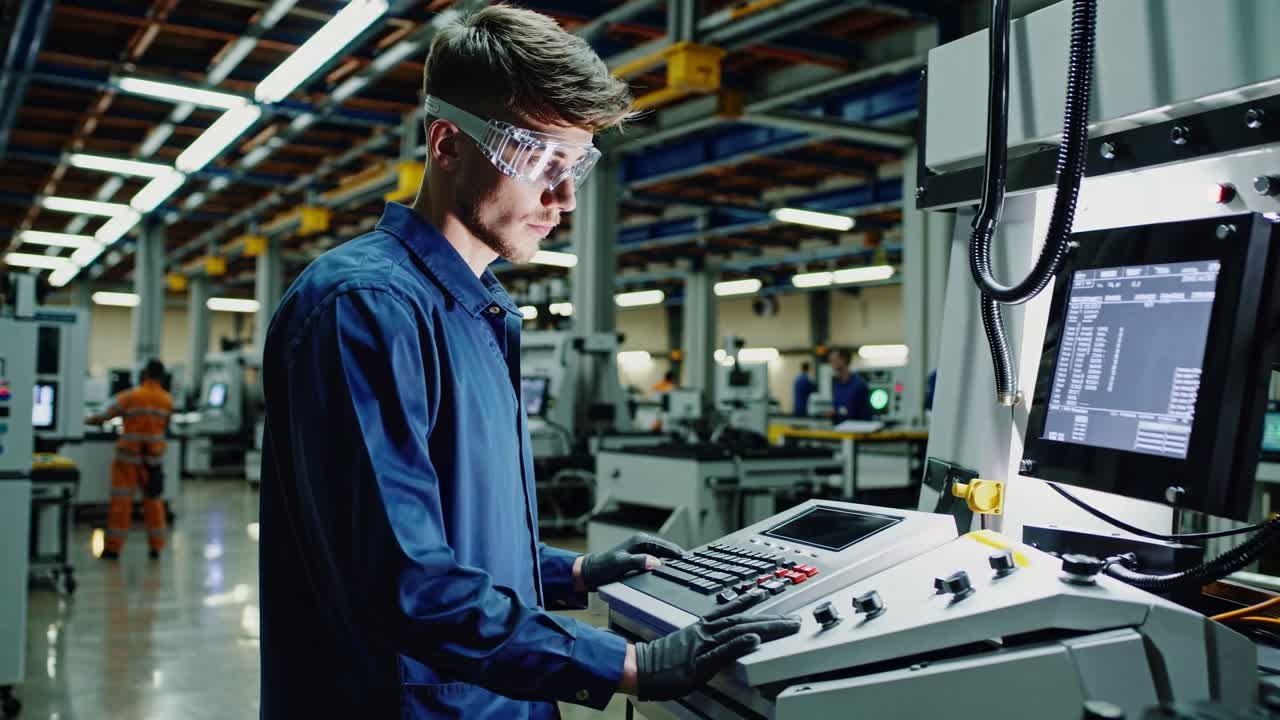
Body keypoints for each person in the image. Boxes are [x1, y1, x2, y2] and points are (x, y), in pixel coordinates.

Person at [258, 8, 799, 718]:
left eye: (576, 164)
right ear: (448, 144)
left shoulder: (479, 309)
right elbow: (401, 576)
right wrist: (627, 662)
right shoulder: (365, 310)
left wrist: (570, 571)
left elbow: (451, 540)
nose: (565, 197)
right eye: (541, 161)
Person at [86, 359, 172, 560]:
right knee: (153, 504)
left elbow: (103, 415)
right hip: (153, 461)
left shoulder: (131, 396)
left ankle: (114, 549)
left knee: (121, 504)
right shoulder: (167, 400)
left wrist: (86, 420)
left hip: (128, 459)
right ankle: (156, 547)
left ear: (144, 373)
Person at [827, 348, 874, 422]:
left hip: (855, 429)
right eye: (830, 360)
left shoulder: (859, 385)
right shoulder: (836, 384)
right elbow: (837, 407)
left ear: (844, 360)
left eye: (834, 360)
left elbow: (866, 413)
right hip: (839, 429)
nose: (831, 363)